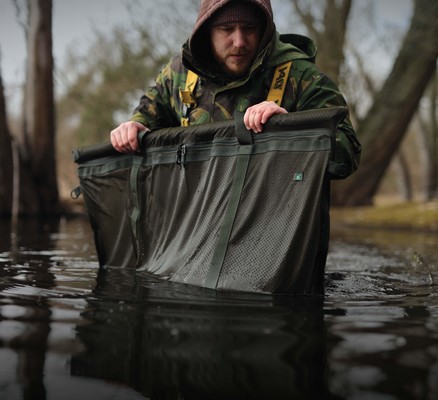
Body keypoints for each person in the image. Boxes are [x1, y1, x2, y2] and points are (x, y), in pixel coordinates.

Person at [109, 0, 361, 293]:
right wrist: (132, 127)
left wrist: (291, 131)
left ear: (265, 29)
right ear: (206, 31)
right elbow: (145, 117)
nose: (239, 41)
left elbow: (349, 151)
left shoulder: (299, 74)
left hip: (277, 256)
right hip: (189, 251)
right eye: (227, 29)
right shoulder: (178, 75)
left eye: (250, 29)